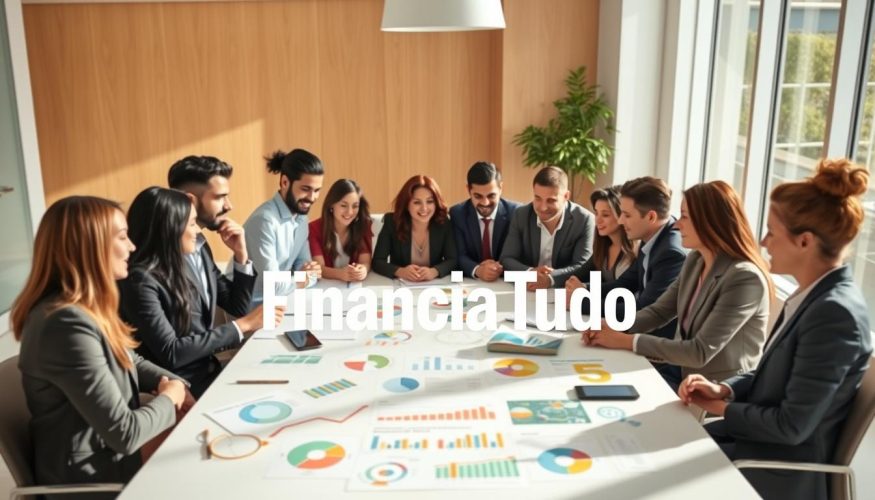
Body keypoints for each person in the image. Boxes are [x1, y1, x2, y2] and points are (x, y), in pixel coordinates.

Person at [679, 159, 872, 500]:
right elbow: (771, 375)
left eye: (771, 231)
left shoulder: (835, 315)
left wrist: (720, 408)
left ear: (804, 242)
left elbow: (791, 426)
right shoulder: (812, 295)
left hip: (775, 470)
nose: (764, 242)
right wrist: (723, 389)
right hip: (753, 447)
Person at [12, 196, 189, 493]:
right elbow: (126, 434)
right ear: (89, 248)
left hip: (113, 459)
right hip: (94, 479)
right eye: (122, 237)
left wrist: (174, 384)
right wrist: (170, 398)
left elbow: (129, 359)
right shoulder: (64, 324)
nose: (132, 247)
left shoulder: (84, 310)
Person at [582, 181, 771, 388]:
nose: (677, 224)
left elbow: (699, 351)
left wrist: (626, 340)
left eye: (685, 216)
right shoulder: (696, 260)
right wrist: (612, 326)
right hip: (678, 369)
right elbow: (659, 311)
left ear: (710, 221)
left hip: (712, 386)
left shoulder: (744, 278)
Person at [119, 187, 279, 398]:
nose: (197, 231)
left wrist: (241, 254)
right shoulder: (139, 280)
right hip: (180, 387)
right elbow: (172, 352)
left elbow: (236, 307)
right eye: (192, 224)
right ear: (170, 228)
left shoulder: (182, 262)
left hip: (208, 372)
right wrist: (245, 325)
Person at [579, 176, 687, 387]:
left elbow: (644, 307)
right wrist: (584, 290)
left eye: (626, 215)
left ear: (651, 217)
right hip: (636, 336)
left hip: (657, 356)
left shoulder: (671, 252)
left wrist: (582, 302)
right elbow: (626, 283)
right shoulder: (653, 239)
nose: (620, 221)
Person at [167, 154, 256, 328]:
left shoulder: (201, 245)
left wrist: (241, 255)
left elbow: (237, 307)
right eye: (219, 197)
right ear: (189, 200)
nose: (228, 206)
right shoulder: (166, 253)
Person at [244, 148, 324, 305]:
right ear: (285, 182)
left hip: (283, 300)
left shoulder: (301, 217)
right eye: (306, 189)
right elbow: (274, 286)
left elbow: (307, 269)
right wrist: (303, 278)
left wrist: (305, 276)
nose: (312, 198)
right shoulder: (264, 221)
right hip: (253, 307)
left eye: (317, 190)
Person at [500, 166, 595, 289]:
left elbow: (582, 266)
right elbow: (507, 259)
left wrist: (550, 279)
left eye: (551, 200)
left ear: (566, 196)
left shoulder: (584, 220)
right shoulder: (521, 214)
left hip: (561, 291)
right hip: (527, 289)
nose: (543, 207)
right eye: (537, 198)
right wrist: (530, 273)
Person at [373, 175, 457, 281]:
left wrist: (434, 271)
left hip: (433, 287)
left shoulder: (443, 223)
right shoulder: (392, 222)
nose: (424, 208)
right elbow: (377, 261)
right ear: (406, 204)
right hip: (402, 288)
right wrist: (400, 271)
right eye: (417, 202)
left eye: (430, 201)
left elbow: (453, 260)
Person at [565, 185, 637, 307]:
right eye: (596, 213)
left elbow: (623, 293)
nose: (597, 220)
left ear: (621, 215)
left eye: (605, 215)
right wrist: (567, 282)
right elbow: (579, 273)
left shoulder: (634, 253)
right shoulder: (604, 248)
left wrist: (583, 292)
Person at [449, 161, 521, 281]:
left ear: (501, 188)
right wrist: (478, 270)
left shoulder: (516, 213)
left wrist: (497, 268)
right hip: (472, 282)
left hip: (507, 281)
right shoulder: (458, 213)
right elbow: (459, 255)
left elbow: (519, 255)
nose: (485, 203)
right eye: (478, 196)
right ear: (468, 189)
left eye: (491, 195)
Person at [308, 179, 373, 282]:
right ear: (331, 205)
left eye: (355, 206)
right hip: (326, 288)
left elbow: (365, 261)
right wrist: (340, 274)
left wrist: (363, 270)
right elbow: (318, 267)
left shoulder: (363, 225)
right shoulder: (314, 228)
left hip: (354, 289)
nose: (350, 212)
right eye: (343, 205)